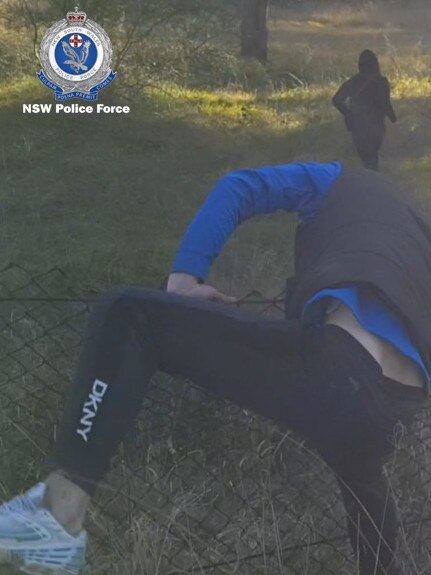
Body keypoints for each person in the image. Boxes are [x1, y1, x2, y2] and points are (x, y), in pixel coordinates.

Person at [1, 161, 430, 575]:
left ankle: (58, 518)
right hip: (394, 411)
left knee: (129, 316)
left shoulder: (340, 181)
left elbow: (239, 187)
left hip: (339, 368)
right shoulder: (422, 237)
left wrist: (187, 275)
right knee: (364, 485)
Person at [332, 49, 397, 170]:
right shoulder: (381, 82)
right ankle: (374, 182)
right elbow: (385, 103)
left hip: (358, 127)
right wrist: (394, 119)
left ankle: (370, 180)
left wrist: (349, 114)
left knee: (366, 160)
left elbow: (337, 100)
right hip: (376, 126)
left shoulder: (354, 81)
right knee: (373, 158)